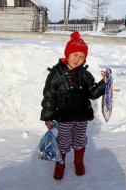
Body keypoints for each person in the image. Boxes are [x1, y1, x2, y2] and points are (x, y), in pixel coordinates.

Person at [40, 31, 108, 180]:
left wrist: (103, 84)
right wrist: (47, 117)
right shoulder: (56, 74)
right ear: (67, 53)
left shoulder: (84, 74)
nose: (77, 59)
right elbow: (49, 96)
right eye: (74, 55)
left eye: (81, 57)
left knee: (80, 140)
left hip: (82, 116)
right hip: (64, 117)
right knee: (63, 142)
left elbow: (92, 92)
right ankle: (60, 164)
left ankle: (78, 161)